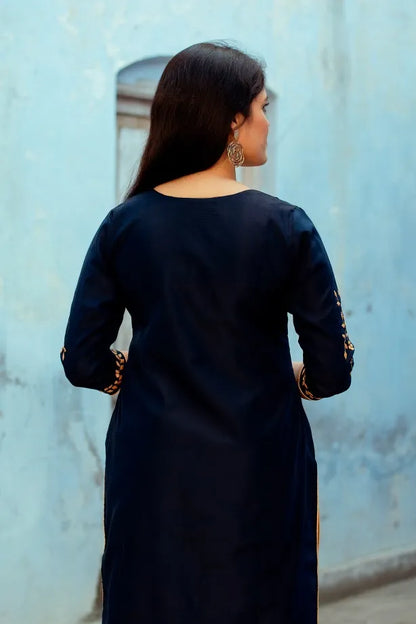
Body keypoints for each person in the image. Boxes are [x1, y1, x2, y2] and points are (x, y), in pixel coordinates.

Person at [60, 42, 354, 624]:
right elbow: (332, 370)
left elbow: (82, 359)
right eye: (262, 108)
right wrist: (293, 379)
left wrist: (132, 373)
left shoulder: (124, 225)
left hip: (152, 467)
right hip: (258, 467)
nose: (269, 123)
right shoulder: (286, 226)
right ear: (231, 119)